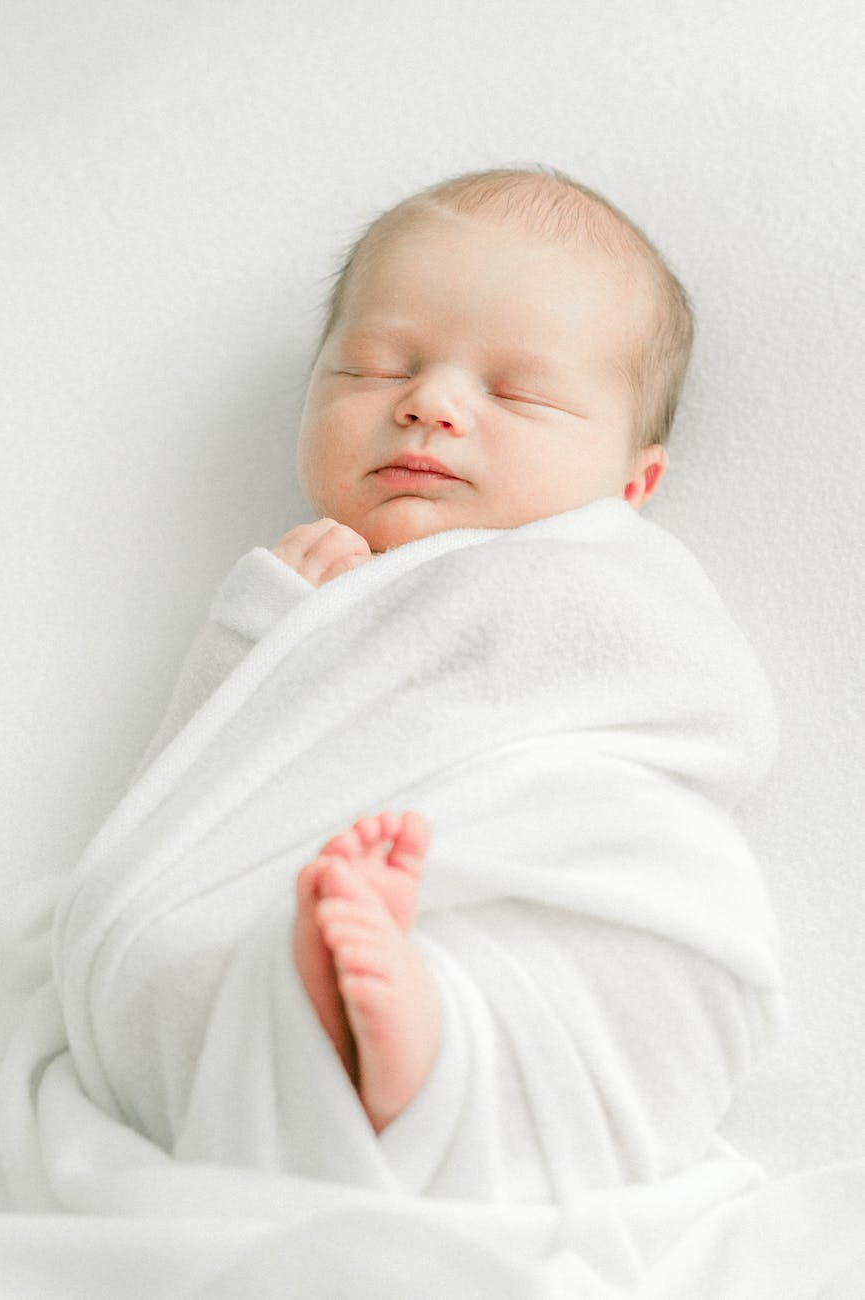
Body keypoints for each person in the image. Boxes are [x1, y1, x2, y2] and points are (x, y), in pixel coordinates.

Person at [271, 166, 689, 1132]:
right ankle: (359, 1019)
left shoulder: (603, 584)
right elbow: (207, 779)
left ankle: (431, 1034)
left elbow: (685, 722)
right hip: (309, 887)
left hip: (510, 875)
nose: (431, 404)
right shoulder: (294, 581)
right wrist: (272, 632)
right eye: (377, 367)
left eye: (518, 392)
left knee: (524, 966)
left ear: (634, 483)